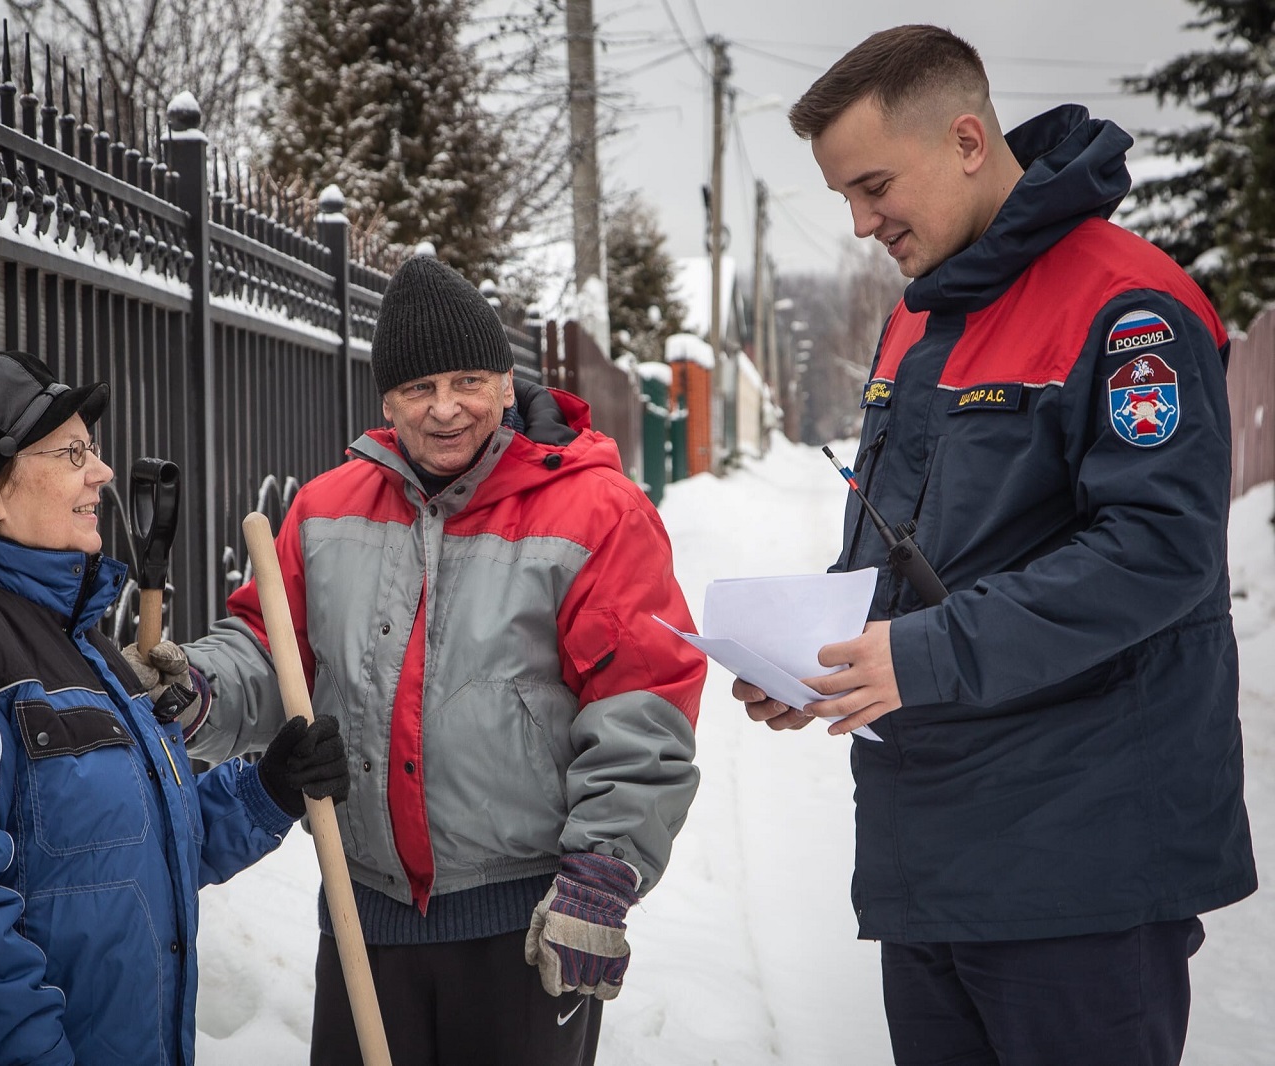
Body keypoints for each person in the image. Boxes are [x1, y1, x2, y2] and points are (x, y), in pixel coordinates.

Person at [733, 24, 1256, 1066]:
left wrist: (917, 656)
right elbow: (914, 549)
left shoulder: (1127, 304)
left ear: (966, 139)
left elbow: (1158, 550)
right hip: (930, 855)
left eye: (873, 185)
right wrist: (820, 654)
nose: (858, 221)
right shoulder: (920, 322)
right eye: (843, 195)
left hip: (1079, 864)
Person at [140, 253, 706, 1065]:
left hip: (527, 920)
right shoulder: (325, 510)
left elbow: (641, 701)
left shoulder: (596, 511)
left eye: (468, 381)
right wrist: (198, 685)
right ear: (386, 400)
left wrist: (602, 873)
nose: (446, 410)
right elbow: (272, 654)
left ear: (507, 383)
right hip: (363, 909)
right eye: (418, 390)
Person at [0, 350, 349, 1065]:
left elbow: (122, 859)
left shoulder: (76, 642)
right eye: (70, 453)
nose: (99, 471)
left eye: (91, 449)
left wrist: (265, 792)